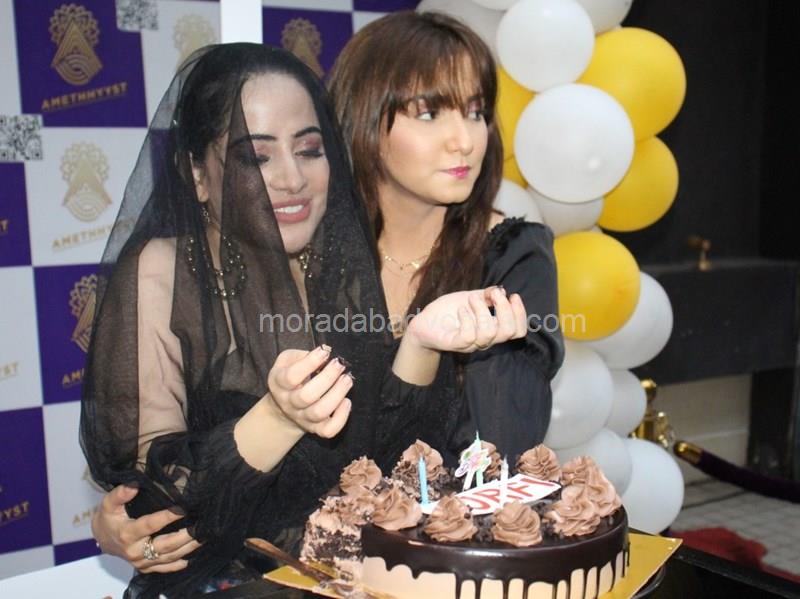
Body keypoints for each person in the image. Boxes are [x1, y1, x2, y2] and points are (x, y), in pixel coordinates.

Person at [80, 42, 526, 597]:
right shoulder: (161, 272)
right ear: (198, 174)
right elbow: (152, 504)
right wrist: (277, 416)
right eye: (257, 157)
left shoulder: (334, 262)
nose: (292, 178)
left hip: (347, 580)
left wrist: (420, 343)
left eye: (309, 150)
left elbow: (388, 467)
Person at [327, 10, 564, 461]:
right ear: (363, 117)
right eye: (430, 113)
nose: (465, 141)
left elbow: (498, 452)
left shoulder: (512, 257)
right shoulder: (315, 250)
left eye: (476, 113)